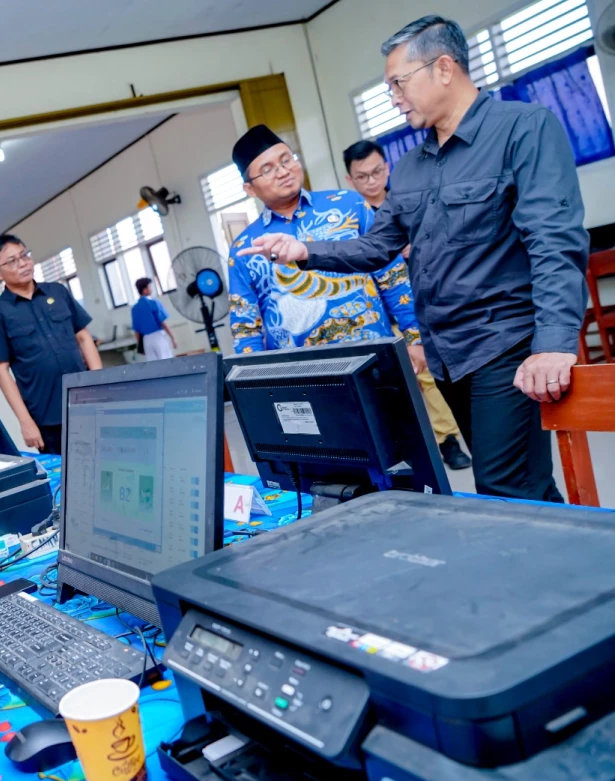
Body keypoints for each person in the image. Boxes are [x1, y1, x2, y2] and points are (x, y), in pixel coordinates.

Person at [240, 16, 587, 502]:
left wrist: (553, 343)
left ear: (443, 68)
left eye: (398, 83)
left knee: (505, 487)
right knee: (520, 488)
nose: (394, 98)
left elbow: (554, 241)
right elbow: (376, 247)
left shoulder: (522, 130)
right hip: (449, 357)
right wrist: (305, 252)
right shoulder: (410, 166)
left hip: (504, 346)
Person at [226, 125, 422, 361]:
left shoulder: (349, 204)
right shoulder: (245, 247)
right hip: (301, 375)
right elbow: (245, 326)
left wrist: (414, 337)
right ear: (249, 189)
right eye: (267, 170)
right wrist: (256, 382)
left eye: (286, 160)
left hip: (376, 355)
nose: (283, 171)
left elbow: (391, 275)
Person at [344, 139, 471, 470]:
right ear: (350, 181)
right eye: (362, 177)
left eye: (377, 172)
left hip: (420, 305)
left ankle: (449, 440)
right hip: (376, 316)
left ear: (387, 168)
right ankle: (406, 449)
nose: (372, 181)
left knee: (428, 374)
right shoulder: (349, 218)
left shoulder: (410, 203)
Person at [0, 234, 101, 454]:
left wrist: (101, 383)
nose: (23, 263)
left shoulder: (58, 292)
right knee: (64, 480)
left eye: (24, 255)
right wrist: (25, 421)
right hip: (46, 415)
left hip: (87, 402)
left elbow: (84, 337)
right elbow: (1, 372)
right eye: (12, 261)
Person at [130, 277, 177, 360]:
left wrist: (141, 346)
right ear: (145, 290)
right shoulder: (153, 303)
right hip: (158, 337)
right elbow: (162, 323)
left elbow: (137, 331)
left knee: (154, 366)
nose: (151, 289)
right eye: (150, 287)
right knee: (167, 361)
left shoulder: (135, 309)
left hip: (146, 340)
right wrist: (173, 337)